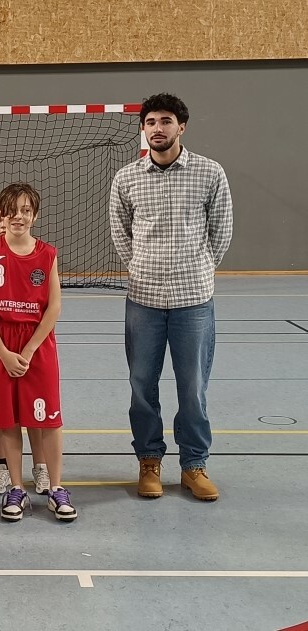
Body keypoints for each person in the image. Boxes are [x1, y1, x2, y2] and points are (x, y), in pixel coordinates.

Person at [109, 93, 233, 501]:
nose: (157, 128)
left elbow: (221, 231)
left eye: (165, 121)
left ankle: (194, 465)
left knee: (192, 387)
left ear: (182, 127)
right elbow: (121, 233)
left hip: (193, 301)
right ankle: (149, 461)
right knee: (142, 385)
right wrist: (142, 267)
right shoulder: (126, 178)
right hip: (143, 300)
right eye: (150, 122)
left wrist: (198, 270)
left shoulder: (209, 172)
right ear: (142, 129)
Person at [0, 183, 77, 522]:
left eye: (25, 210)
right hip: (1, 344)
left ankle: (56, 487)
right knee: (8, 419)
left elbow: (54, 307)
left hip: (37, 343)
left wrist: (30, 349)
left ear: (35, 215)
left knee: (49, 419)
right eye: (12, 210)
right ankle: (16, 487)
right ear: (2, 215)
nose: (18, 216)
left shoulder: (47, 253)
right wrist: (3, 353)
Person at [0, 199, 50, 497]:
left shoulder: (37, 254)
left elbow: (48, 305)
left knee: (32, 406)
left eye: (4, 218)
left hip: (23, 340)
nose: (2, 225)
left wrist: (29, 348)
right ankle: (2, 465)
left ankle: (41, 466)